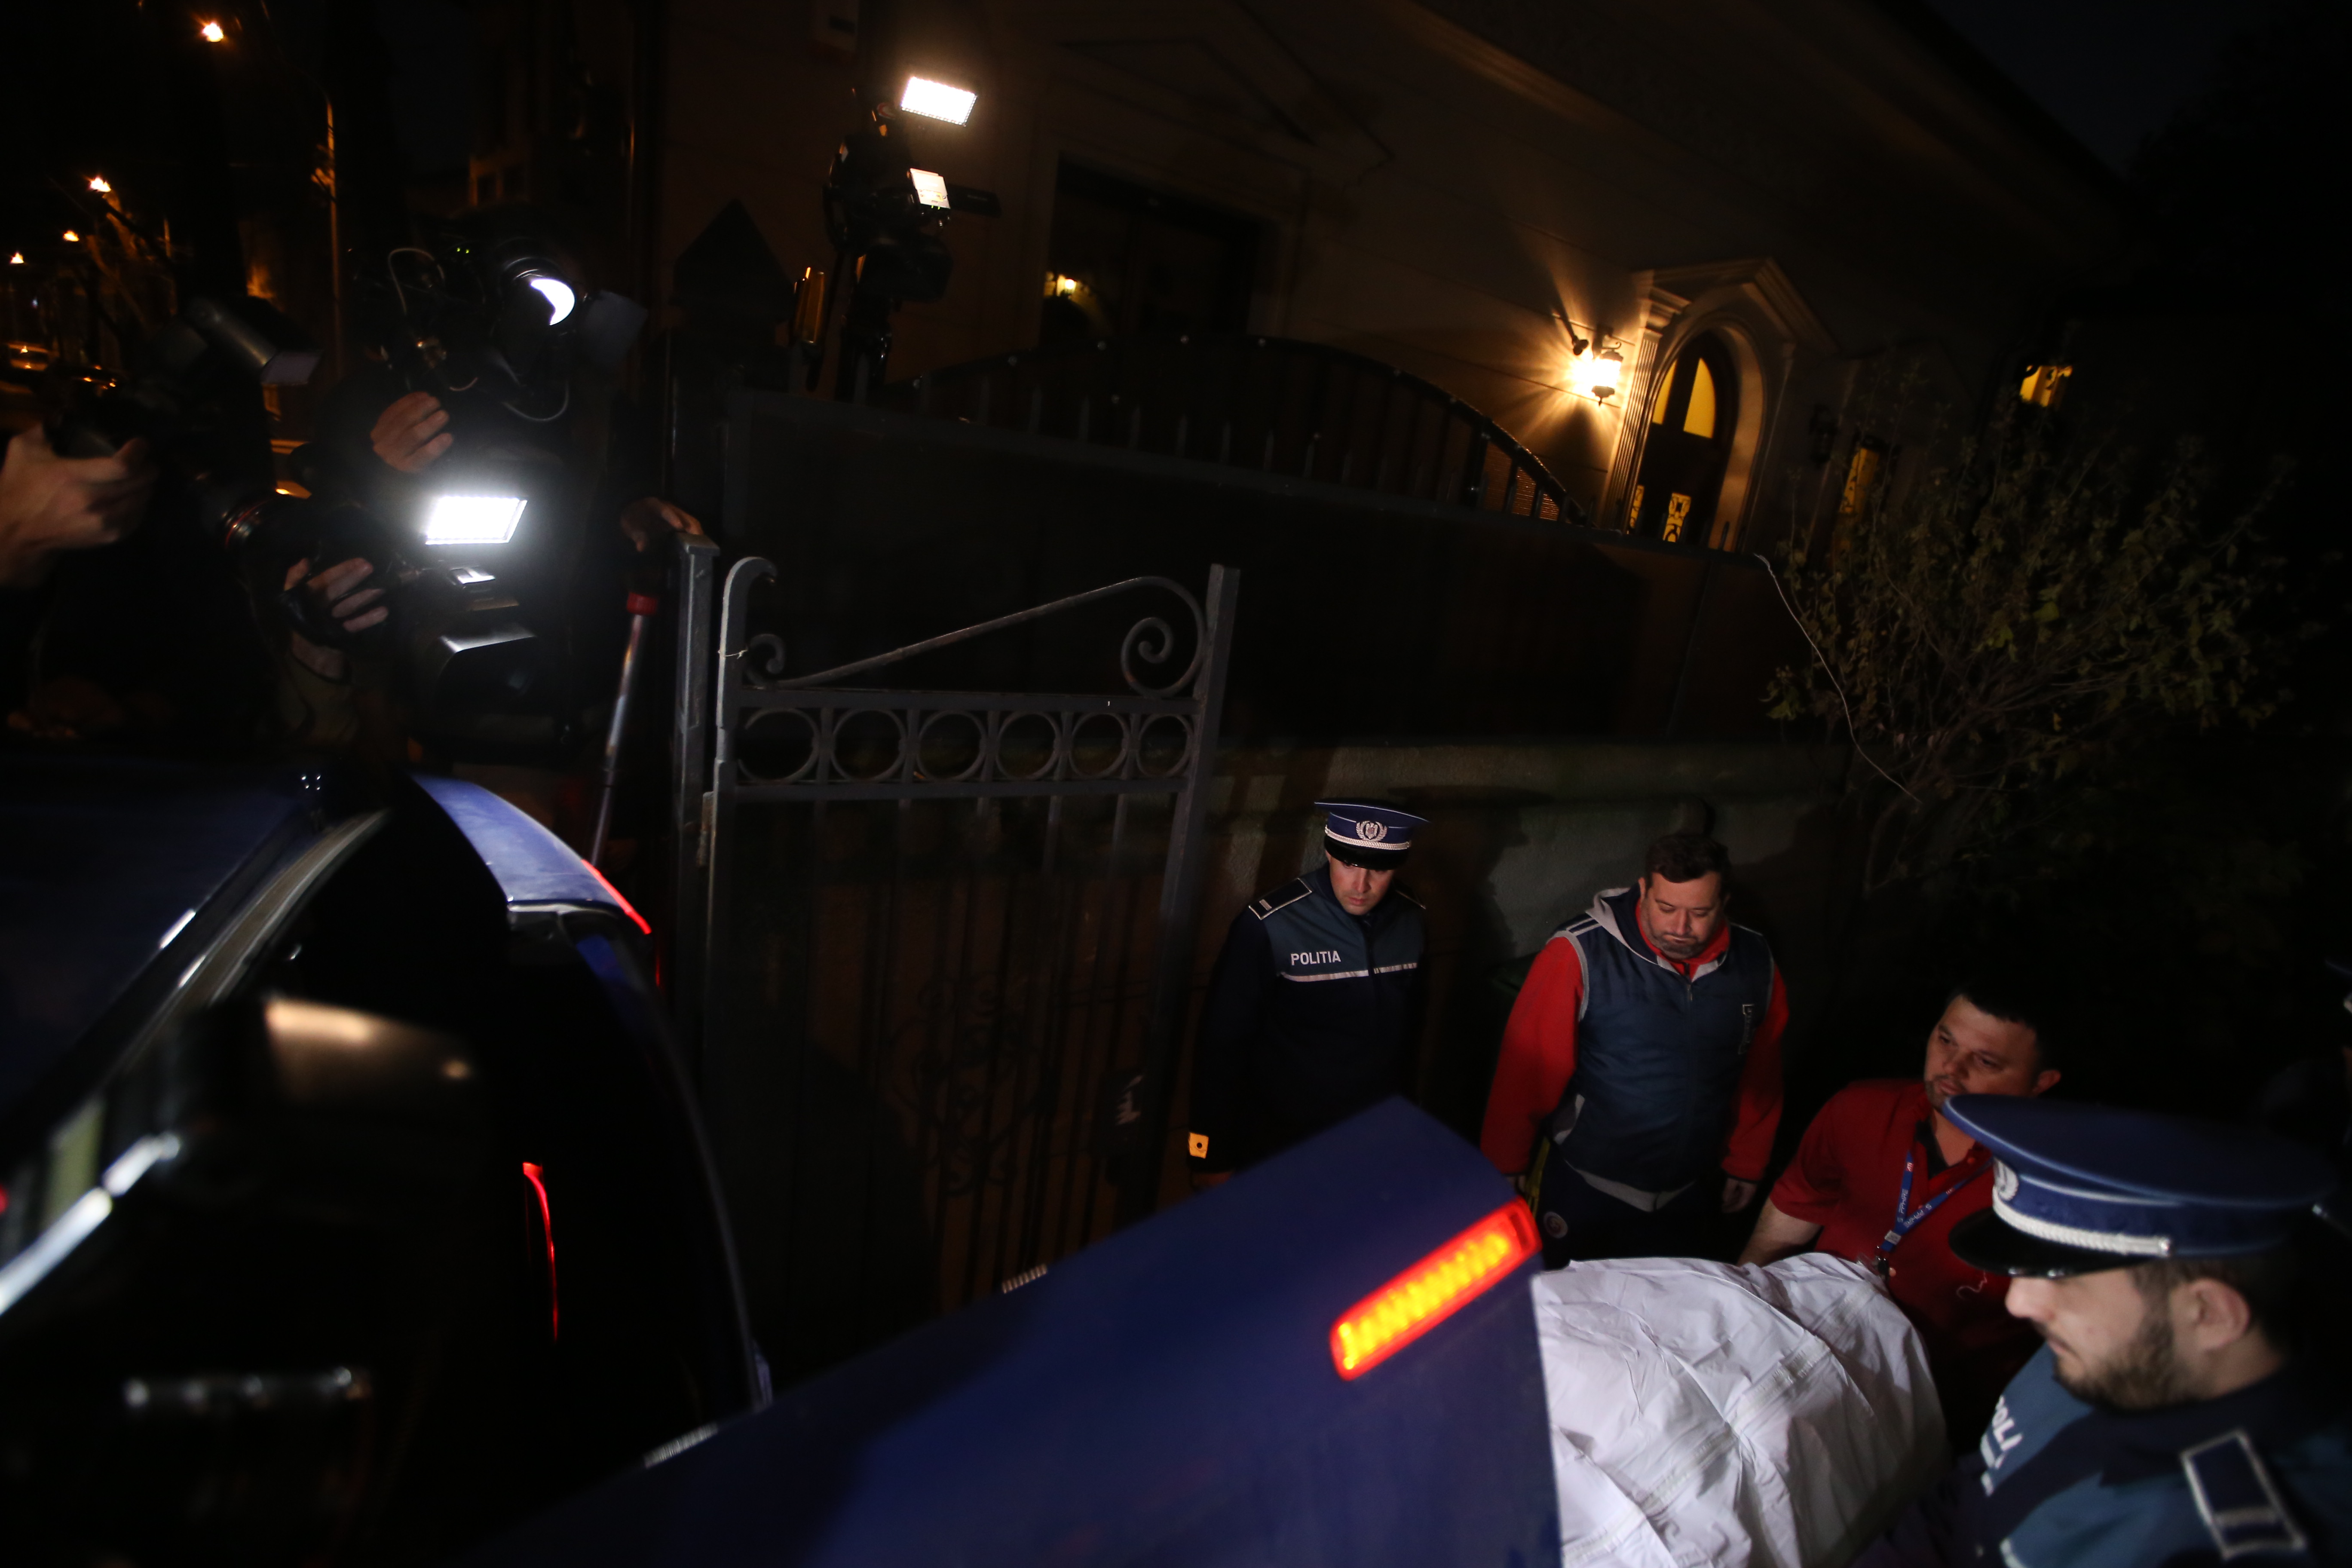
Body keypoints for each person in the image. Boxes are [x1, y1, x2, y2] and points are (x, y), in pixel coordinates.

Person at [1853, 1096, 2352, 1568]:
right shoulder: (2097, 1346)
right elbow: (1970, 1495)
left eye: (2064, 1278)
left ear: (2210, 1314)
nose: (2021, 1303)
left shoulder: (2231, 1540)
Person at [1738, 978, 2062, 1436]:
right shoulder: (1861, 1109)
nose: (1951, 1067)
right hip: (1800, 1370)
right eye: (1945, 1040)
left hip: (1926, 1421)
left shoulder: (2059, 1191)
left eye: (1985, 1061)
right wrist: (1740, 1309)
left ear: (2040, 1083)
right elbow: (1789, 1219)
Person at [1479, 831, 1785, 1265]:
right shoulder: (1580, 951)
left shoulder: (1754, 961)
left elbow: (1761, 1070)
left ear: (1724, 903)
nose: (1681, 927)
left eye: (1700, 913)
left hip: (1690, 1191)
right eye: (1666, 908)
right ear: (1644, 890)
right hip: (1585, 1186)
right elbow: (1527, 1069)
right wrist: (1505, 1163)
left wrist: (1748, 1162)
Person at [1186, 800, 1429, 1185]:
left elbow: (1410, 1037)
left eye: (1379, 870)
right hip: (1283, 1146)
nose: (1361, 885)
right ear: (1329, 852)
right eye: (1348, 864)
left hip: (1373, 1143)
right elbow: (1222, 1046)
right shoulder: (1270, 925)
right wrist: (1208, 1155)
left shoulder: (1412, 920)